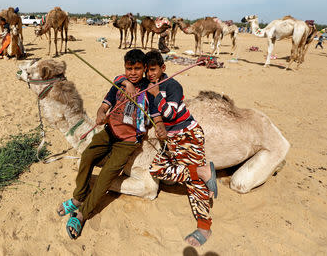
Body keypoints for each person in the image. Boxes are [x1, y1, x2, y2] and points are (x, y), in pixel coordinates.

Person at [57, 49, 167, 239]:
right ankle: (78, 197)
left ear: (144, 69)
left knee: (107, 174)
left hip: (128, 141)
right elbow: (105, 104)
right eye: (129, 68)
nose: (132, 73)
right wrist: (101, 113)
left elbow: (156, 114)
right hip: (109, 132)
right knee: (87, 156)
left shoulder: (149, 89)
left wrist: (159, 125)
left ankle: (83, 212)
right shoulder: (119, 83)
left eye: (137, 69)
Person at [115, 50, 217, 247]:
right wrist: (126, 82)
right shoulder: (147, 83)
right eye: (148, 71)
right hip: (171, 139)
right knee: (156, 169)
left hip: (187, 134)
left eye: (154, 70)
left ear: (163, 68)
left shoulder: (172, 85)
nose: (150, 74)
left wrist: (155, 95)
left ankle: (204, 226)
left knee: (194, 185)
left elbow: (170, 113)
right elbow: (122, 77)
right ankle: (200, 171)